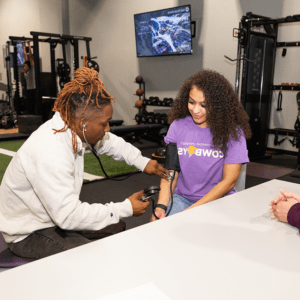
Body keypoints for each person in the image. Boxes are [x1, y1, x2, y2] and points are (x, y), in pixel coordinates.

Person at [0, 67, 168, 259]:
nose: (107, 129)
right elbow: (68, 216)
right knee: (94, 258)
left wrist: (144, 162)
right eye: (104, 123)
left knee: (117, 225)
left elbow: (111, 143)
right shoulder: (50, 149)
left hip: (51, 217)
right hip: (28, 232)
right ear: (83, 123)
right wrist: (126, 207)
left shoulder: (71, 127)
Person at [151, 69, 251, 221]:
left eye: (204, 105)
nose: (196, 110)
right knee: (158, 231)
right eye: (191, 102)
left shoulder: (233, 132)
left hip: (219, 200)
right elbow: (171, 172)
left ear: (218, 105)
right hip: (183, 198)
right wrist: (161, 206)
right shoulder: (178, 126)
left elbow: (229, 181)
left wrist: (194, 210)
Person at [22, 40, 36, 114]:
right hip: (28, 90)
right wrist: (23, 45)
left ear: (28, 66)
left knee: (32, 107)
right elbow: (25, 56)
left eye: (25, 66)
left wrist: (29, 44)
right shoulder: (26, 72)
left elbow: (30, 57)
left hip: (33, 90)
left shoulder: (31, 70)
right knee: (28, 107)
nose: (24, 67)